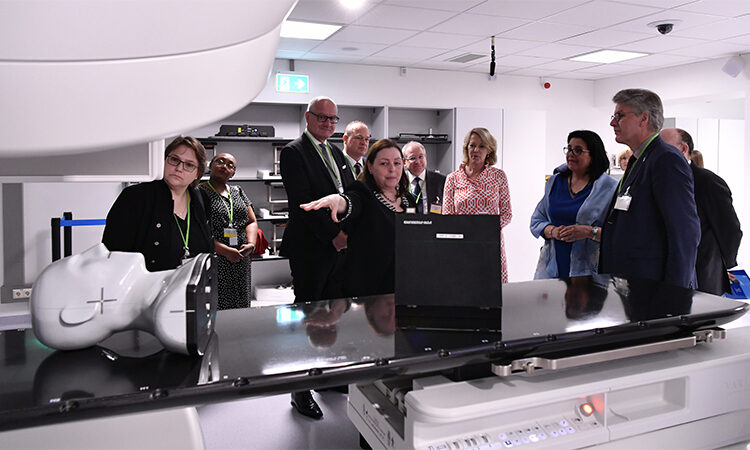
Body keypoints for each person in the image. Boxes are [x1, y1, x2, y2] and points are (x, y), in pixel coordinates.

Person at [279, 96, 355, 420]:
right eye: (321, 117)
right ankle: (300, 390)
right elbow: (302, 202)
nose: (327, 123)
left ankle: (326, 378)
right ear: (308, 118)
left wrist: (352, 232)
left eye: (333, 119)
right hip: (311, 248)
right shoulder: (293, 152)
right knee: (308, 316)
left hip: (340, 251)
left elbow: (349, 192)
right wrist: (333, 235)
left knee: (334, 314)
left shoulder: (336, 152)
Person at [600, 89, 700, 289]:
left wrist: (675, 291)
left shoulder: (666, 159)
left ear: (643, 119)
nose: (613, 123)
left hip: (656, 286)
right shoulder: (640, 159)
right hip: (632, 282)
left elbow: (684, 232)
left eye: (619, 116)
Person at [301, 139, 416, 297]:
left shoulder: (408, 199)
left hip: (402, 285)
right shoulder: (363, 192)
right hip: (368, 289)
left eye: (397, 163)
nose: (392, 169)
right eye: (384, 164)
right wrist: (338, 201)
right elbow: (351, 202)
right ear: (370, 166)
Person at [103, 136, 213, 271]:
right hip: (146, 288)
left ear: (198, 173)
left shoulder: (202, 198)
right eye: (174, 160)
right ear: (164, 161)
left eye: (189, 165)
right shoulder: (135, 196)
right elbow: (115, 253)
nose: (179, 168)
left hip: (189, 287)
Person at [659, 128, 742, 295]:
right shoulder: (659, 179)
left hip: (702, 271)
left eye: (664, 147)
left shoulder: (707, 181)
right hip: (666, 272)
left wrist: (724, 264)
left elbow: (729, 228)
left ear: (684, 149)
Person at [530, 130, 617, 279]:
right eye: (569, 149)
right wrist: (553, 231)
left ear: (593, 155)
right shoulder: (554, 182)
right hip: (553, 268)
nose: (571, 154)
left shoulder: (609, 188)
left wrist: (589, 232)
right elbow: (536, 221)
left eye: (578, 150)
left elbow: (619, 234)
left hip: (590, 272)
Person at [442, 127, 512, 282]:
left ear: (489, 150)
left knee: (491, 292)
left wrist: (486, 228)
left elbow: (507, 214)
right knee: (463, 289)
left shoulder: (498, 176)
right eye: (472, 145)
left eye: (482, 146)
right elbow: (447, 217)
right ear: (466, 148)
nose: (476, 150)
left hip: (490, 243)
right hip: (462, 244)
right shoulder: (452, 178)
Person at [199, 153, 258, 309]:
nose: (224, 166)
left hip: (241, 256)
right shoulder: (199, 192)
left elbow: (251, 221)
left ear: (233, 173)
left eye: (230, 165)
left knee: (241, 298)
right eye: (220, 162)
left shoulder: (238, 191)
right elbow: (198, 231)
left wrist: (251, 244)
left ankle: (240, 330)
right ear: (210, 166)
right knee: (217, 302)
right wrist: (224, 251)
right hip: (215, 257)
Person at [403, 141, 446, 214]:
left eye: (421, 157)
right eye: (412, 158)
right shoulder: (399, 182)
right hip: (407, 223)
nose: (417, 161)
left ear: (425, 157)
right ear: (404, 162)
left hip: (434, 224)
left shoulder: (441, 181)